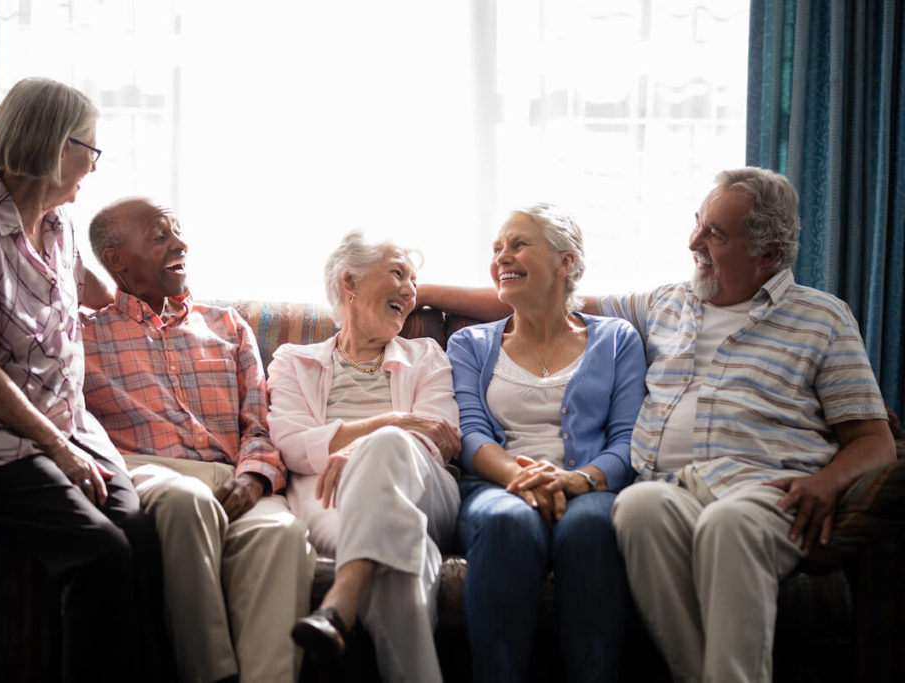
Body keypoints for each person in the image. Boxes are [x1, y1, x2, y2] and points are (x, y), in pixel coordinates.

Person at [419, 167, 897, 683]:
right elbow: (546, 302)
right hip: (668, 486)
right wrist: (414, 288)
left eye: (715, 233)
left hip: (762, 486)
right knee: (637, 508)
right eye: (697, 224)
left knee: (724, 526)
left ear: (769, 253)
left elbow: (874, 438)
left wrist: (825, 484)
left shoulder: (822, 318)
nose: (693, 241)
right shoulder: (667, 303)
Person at [0, 77, 170, 681]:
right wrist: (59, 451)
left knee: (137, 531)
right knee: (100, 554)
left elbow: (98, 293)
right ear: (57, 147)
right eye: (92, 148)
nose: (94, 163)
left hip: (67, 425)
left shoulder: (58, 228)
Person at [82, 197, 315, 683]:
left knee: (282, 533)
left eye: (178, 232)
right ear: (118, 260)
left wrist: (254, 479)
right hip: (147, 472)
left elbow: (260, 423)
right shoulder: (80, 335)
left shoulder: (227, 324)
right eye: (160, 236)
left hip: (233, 478)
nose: (181, 244)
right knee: (185, 500)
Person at [445, 203, 647, 683]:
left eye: (518, 244)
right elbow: (469, 434)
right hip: (495, 485)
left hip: (592, 485)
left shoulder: (617, 339)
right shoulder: (469, 344)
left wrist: (578, 479)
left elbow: (628, 440)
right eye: (497, 248)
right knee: (506, 522)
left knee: (592, 528)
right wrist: (519, 476)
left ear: (565, 262)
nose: (502, 257)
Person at [266, 232, 461, 683]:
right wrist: (395, 419)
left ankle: (341, 601)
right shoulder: (293, 360)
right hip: (328, 495)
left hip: (425, 491)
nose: (411, 290)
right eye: (397, 273)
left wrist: (364, 444)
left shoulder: (426, 354)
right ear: (349, 282)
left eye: (414, 281)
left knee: (390, 447)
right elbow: (293, 444)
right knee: (401, 555)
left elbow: (441, 438)